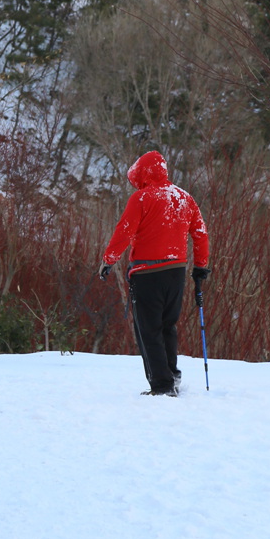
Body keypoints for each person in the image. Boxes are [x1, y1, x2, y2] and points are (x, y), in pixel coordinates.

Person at [99, 150, 210, 396]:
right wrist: (201, 267)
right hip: (177, 272)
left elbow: (124, 231)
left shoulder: (141, 199)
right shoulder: (185, 198)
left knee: (148, 330)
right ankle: (172, 377)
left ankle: (162, 386)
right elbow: (200, 233)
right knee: (167, 326)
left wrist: (109, 260)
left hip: (147, 273)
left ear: (143, 172)